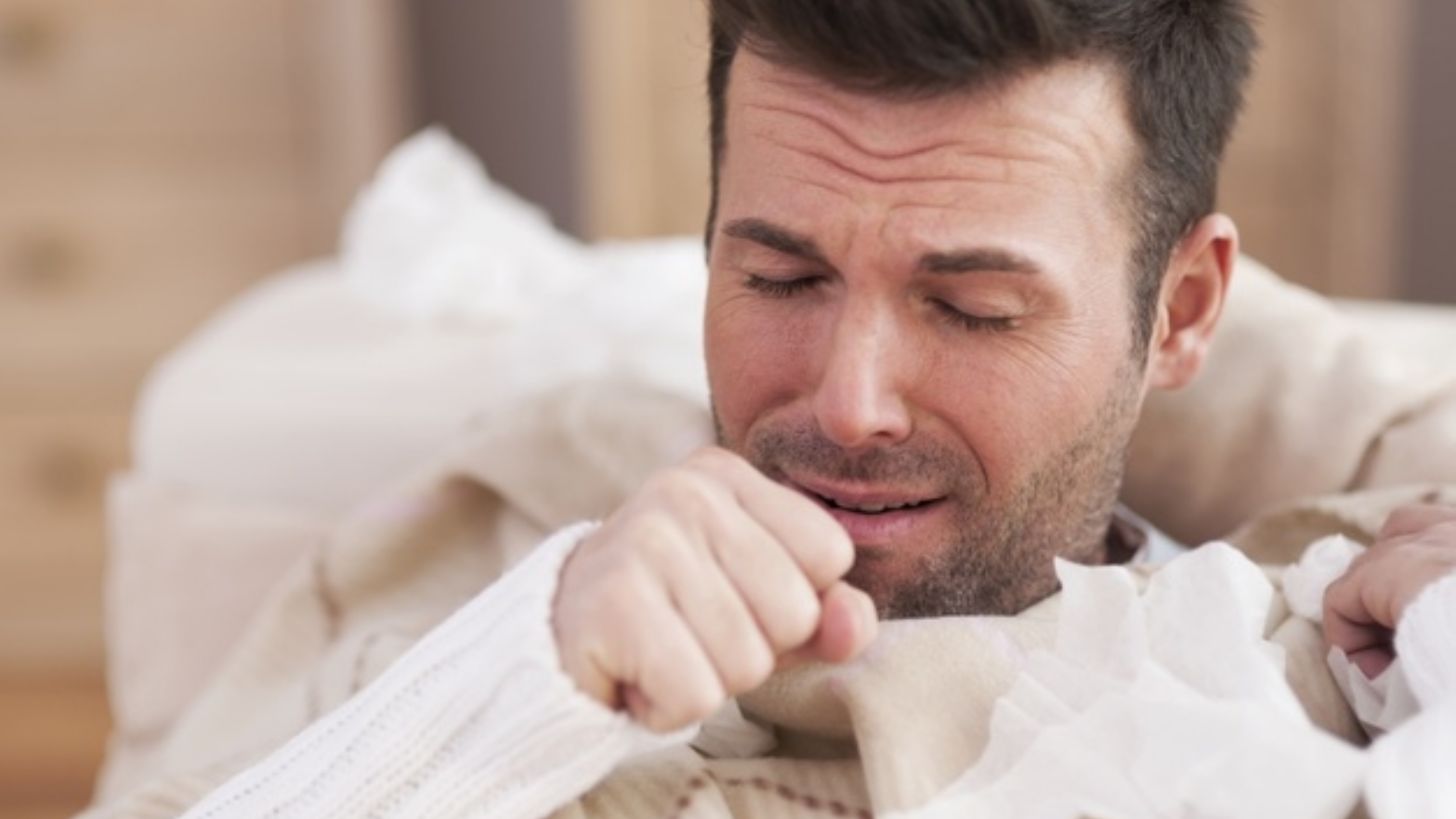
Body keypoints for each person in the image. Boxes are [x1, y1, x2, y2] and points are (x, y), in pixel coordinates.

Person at [89, 1, 1456, 817]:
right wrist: (519, 686)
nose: (848, 406)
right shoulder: (496, 554)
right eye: (781, 277)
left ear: (1185, 313)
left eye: (974, 307)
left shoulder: (1331, 653)